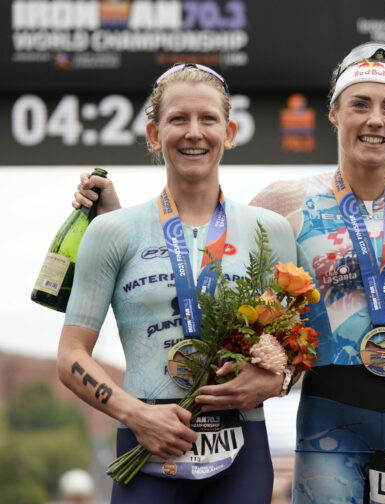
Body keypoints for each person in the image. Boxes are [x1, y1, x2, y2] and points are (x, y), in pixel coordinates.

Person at [72, 43, 385, 503]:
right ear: (335, 113)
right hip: (330, 425)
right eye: (360, 104)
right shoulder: (285, 203)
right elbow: (200, 247)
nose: (375, 119)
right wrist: (115, 221)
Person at [58, 63, 298, 503]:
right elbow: (71, 355)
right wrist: (136, 416)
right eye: (178, 119)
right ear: (154, 134)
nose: (194, 132)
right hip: (145, 444)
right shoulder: (113, 231)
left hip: (242, 451)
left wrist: (278, 380)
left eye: (208, 119)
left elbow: (295, 348)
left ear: (229, 132)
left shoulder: (272, 230)